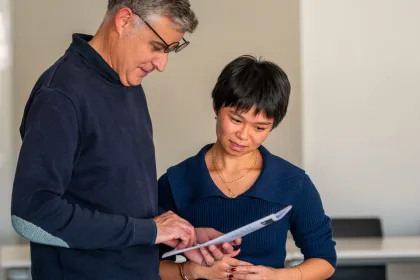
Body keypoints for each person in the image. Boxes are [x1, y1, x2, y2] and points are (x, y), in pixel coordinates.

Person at [10, 1, 240, 280]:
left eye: (169, 50)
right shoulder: (60, 95)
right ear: (123, 20)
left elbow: (111, 196)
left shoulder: (127, 85)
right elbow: (31, 216)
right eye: (157, 47)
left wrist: (180, 234)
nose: (162, 64)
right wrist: (151, 230)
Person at [158, 55, 337, 280]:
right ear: (216, 106)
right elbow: (145, 264)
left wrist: (276, 277)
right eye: (235, 120)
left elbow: (324, 259)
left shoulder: (292, 182)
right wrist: (193, 271)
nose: (244, 136)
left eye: (260, 127)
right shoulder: (177, 182)